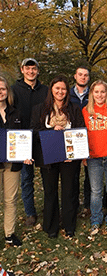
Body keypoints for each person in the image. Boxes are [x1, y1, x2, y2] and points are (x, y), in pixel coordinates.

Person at [30, 75, 85, 238]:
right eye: (57, 88)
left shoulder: (74, 109)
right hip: (48, 157)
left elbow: (80, 131)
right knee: (50, 191)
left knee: (69, 191)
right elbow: (34, 131)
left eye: (63, 89)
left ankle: (69, 225)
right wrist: (51, 132)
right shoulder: (40, 109)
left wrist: (74, 154)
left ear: (67, 91)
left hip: (69, 157)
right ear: (51, 90)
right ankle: (51, 226)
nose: (60, 92)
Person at [11, 58, 48, 227]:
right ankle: (30, 213)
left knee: (48, 177)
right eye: (28, 68)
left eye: (33, 68)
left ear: (37, 71)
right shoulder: (14, 90)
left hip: (42, 139)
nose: (31, 71)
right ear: (22, 70)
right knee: (27, 178)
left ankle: (50, 209)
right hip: (23, 141)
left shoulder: (45, 90)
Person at [82, 80, 107, 234]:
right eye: (96, 92)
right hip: (94, 157)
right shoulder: (86, 110)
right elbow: (82, 135)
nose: (99, 95)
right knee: (96, 191)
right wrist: (83, 155)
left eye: (102, 92)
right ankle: (96, 219)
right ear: (92, 93)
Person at [0, 76, 23, 246]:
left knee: (10, 199)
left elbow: (23, 137)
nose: (0, 92)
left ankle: (9, 233)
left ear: (7, 91)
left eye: (2, 88)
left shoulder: (16, 113)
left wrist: (26, 152)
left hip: (13, 164)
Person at [70, 66, 91, 216]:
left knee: (90, 175)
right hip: (73, 138)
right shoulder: (68, 95)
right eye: (80, 75)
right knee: (73, 174)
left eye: (85, 75)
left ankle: (88, 205)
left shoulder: (94, 94)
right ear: (75, 76)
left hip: (91, 138)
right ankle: (74, 204)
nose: (83, 77)